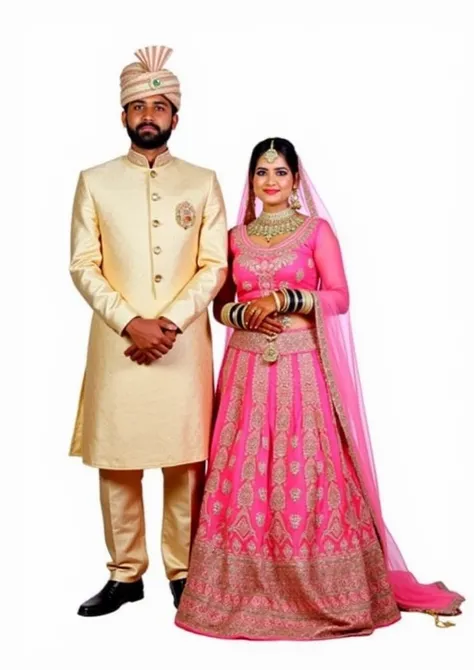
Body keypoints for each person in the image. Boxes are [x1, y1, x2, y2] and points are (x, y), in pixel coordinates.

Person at [175, 137, 464, 640]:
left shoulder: (316, 232)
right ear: (250, 180)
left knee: (306, 463)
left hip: (302, 369)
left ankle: (324, 585)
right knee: (242, 466)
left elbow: (340, 297)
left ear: (296, 179)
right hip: (246, 369)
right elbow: (219, 302)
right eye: (261, 172)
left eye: (280, 172)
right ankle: (235, 586)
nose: (270, 181)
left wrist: (286, 298)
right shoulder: (234, 237)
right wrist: (243, 311)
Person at [69, 45, 228, 617]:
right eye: (139, 105)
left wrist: (167, 322)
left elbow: (215, 266)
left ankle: (185, 573)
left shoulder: (204, 182)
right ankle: (124, 574)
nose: (149, 115)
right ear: (123, 116)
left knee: (186, 461)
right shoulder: (95, 181)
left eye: (160, 106)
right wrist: (130, 322)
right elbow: (82, 264)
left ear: (176, 117)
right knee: (119, 461)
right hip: (118, 345)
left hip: (181, 345)